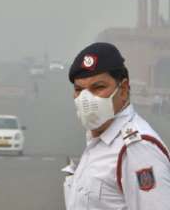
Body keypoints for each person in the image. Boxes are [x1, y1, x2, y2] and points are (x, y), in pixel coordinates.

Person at [63, 42, 170, 210]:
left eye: (98, 87)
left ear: (123, 89)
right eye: (79, 90)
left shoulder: (136, 149)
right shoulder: (100, 141)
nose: (86, 99)